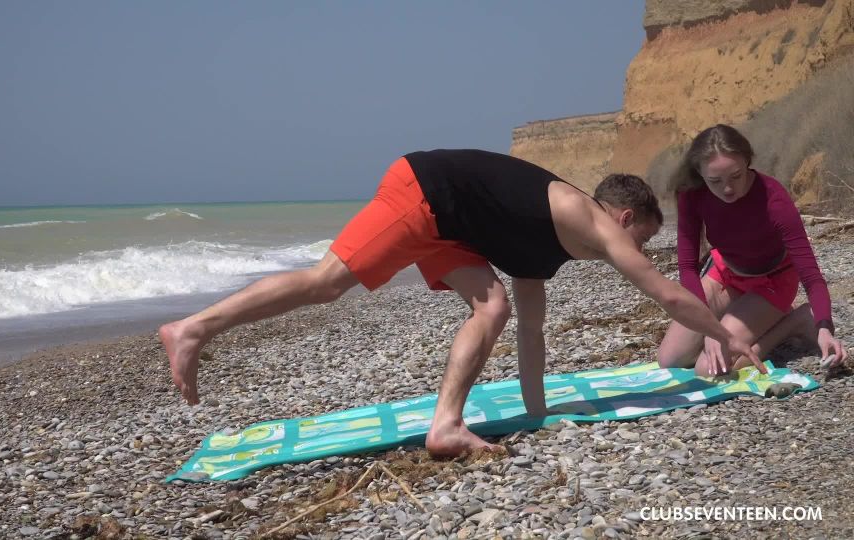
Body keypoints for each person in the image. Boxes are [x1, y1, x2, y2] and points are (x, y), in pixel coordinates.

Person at [161, 149, 759, 457]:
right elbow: (666, 294)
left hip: (449, 226)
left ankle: (445, 425)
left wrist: (538, 414)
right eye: (644, 238)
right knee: (326, 283)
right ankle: (194, 327)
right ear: (624, 218)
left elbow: (532, 332)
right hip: (423, 192)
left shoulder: (548, 249)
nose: (640, 252)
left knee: (493, 308)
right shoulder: (590, 221)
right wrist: (730, 336)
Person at [657, 124, 847, 377]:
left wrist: (824, 327)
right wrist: (710, 327)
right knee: (670, 359)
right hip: (726, 274)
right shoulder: (692, 196)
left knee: (708, 369)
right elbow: (688, 267)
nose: (727, 189)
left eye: (736, 176)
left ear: (747, 161)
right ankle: (741, 319)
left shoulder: (773, 199)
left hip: (773, 281)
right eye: (715, 180)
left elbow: (811, 275)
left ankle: (794, 322)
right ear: (699, 173)